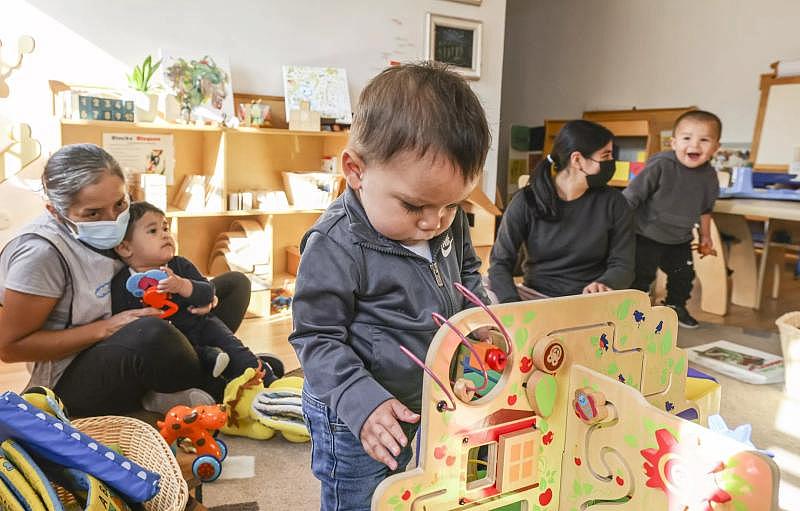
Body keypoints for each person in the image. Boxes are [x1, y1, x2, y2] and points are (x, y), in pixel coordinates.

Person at [289, 62, 490, 510]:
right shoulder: (335, 242)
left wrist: (480, 324)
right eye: (415, 205)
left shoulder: (442, 221)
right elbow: (315, 337)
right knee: (362, 499)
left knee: (416, 488)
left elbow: (470, 275)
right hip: (353, 408)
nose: (433, 222)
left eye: (451, 206)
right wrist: (359, 402)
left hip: (428, 392)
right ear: (356, 171)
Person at [0, 144, 255, 417]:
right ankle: (223, 383)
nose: (113, 220)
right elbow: (10, 347)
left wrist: (198, 293)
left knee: (232, 286)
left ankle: (201, 372)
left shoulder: (124, 222)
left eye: (120, 204)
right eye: (93, 214)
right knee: (152, 333)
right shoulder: (41, 254)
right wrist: (106, 328)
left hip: (141, 333)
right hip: (72, 379)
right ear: (55, 211)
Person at [110, 201, 277, 385]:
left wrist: (182, 285)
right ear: (125, 248)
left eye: (165, 228)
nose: (165, 235)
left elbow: (208, 293)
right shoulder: (122, 284)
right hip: (172, 348)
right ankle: (224, 378)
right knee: (210, 374)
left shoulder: (179, 265)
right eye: (153, 231)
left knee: (236, 351)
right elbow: (124, 326)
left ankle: (268, 378)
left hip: (203, 327)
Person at [488, 120, 635, 302]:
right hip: (535, 297)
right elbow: (499, 263)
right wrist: (511, 305)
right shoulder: (526, 200)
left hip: (586, 301)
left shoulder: (614, 202)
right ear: (577, 160)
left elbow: (623, 264)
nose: (612, 163)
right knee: (483, 288)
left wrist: (604, 283)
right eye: (605, 156)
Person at [623, 110, 722, 328]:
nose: (694, 145)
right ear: (673, 142)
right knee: (641, 276)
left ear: (716, 147)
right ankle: (633, 312)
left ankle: (676, 306)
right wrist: (616, 228)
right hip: (646, 234)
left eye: (704, 140)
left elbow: (706, 209)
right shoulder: (660, 165)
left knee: (684, 275)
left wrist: (705, 236)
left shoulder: (709, 177)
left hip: (679, 239)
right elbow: (631, 197)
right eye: (687, 138)